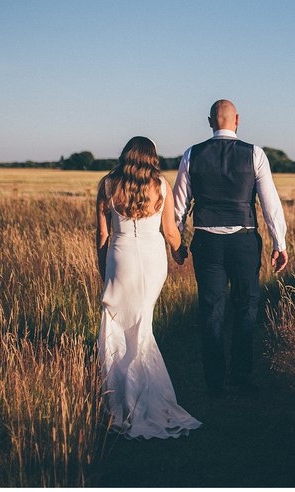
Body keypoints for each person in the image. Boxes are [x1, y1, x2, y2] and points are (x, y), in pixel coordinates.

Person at [173, 99, 288, 398]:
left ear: (210, 121)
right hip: (243, 240)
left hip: (206, 241)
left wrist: (177, 242)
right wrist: (280, 242)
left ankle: (214, 382)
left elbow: (179, 205)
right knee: (246, 306)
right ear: (237, 119)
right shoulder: (255, 154)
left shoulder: (191, 154)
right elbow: (269, 203)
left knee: (211, 308)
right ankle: (240, 376)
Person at [96, 136, 201, 439]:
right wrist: (180, 252)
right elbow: (170, 230)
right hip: (153, 260)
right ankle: (141, 394)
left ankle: (119, 397)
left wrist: (103, 271)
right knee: (143, 324)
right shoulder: (161, 185)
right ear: (151, 156)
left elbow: (102, 235)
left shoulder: (107, 184)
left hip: (120, 256)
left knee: (116, 325)